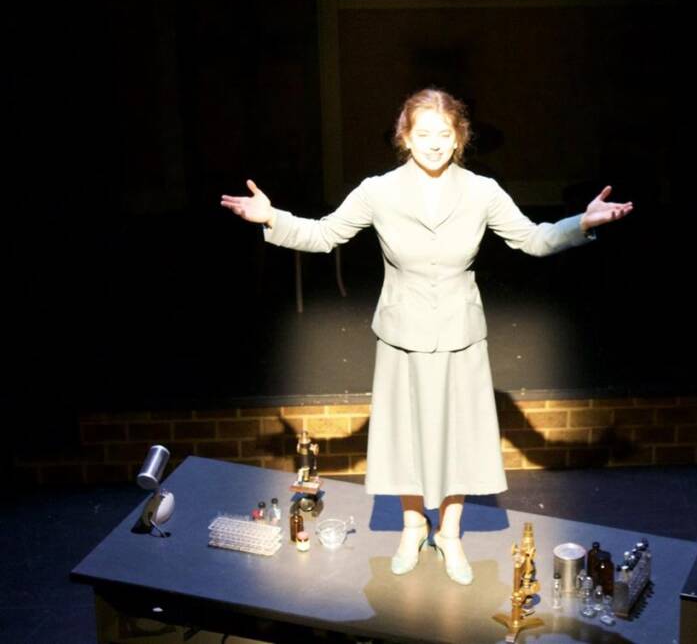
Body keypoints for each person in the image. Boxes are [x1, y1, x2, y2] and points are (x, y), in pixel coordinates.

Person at [220, 88, 633, 585]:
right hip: (401, 334)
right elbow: (325, 234)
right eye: (424, 133)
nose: (435, 143)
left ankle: (451, 533)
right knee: (405, 436)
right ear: (405, 137)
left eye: (445, 133)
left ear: (459, 138)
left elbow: (532, 238)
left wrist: (580, 223)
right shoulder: (379, 191)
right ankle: (413, 525)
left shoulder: (482, 191)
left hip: (461, 334)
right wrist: (272, 219)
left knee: (458, 435)